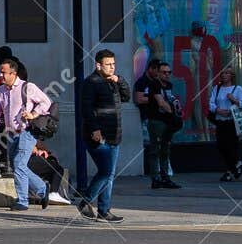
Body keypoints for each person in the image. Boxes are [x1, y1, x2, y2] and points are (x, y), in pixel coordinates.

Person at [0, 55, 53, 211]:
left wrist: (33, 114)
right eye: (1, 72)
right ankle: (42, 188)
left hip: (27, 131)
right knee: (16, 165)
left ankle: (22, 200)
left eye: (4, 72)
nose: (1, 75)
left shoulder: (28, 87)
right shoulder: (1, 90)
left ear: (13, 74)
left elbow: (46, 102)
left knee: (19, 164)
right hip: (11, 133)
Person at [77, 48, 129, 221]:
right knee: (106, 172)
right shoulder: (91, 82)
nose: (112, 67)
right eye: (108, 64)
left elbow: (127, 96)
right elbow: (86, 108)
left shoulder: (113, 81)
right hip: (99, 135)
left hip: (115, 134)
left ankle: (104, 210)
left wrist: (120, 80)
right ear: (98, 65)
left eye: (113, 64)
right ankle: (85, 201)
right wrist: (95, 129)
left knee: (109, 174)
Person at [134, 58, 183, 189]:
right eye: (164, 72)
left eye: (169, 72)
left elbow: (170, 101)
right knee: (156, 150)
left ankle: (165, 177)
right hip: (156, 120)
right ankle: (156, 178)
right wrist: (173, 114)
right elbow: (161, 102)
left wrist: (174, 113)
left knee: (165, 149)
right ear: (158, 73)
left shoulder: (169, 86)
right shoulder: (154, 85)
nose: (167, 74)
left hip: (166, 121)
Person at [207, 67, 242, 183]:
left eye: (227, 73)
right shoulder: (217, 88)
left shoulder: (237, 89)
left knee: (231, 145)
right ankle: (235, 165)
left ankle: (229, 171)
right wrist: (218, 110)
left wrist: (234, 100)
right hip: (220, 120)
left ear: (232, 76)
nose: (225, 75)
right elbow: (211, 103)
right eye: (223, 73)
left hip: (232, 121)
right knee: (221, 146)